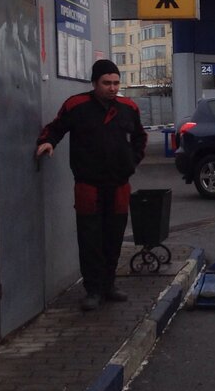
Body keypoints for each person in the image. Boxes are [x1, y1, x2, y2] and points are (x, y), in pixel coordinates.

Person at [36, 59, 148, 311]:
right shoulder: (76, 106)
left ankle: (109, 285)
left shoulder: (129, 107)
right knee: (89, 238)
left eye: (116, 83)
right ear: (95, 83)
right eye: (107, 83)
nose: (112, 88)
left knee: (114, 236)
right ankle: (93, 290)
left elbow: (140, 137)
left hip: (119, 184)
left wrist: (132, 161)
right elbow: (56, 128)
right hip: (88, 184)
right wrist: (47, 142)